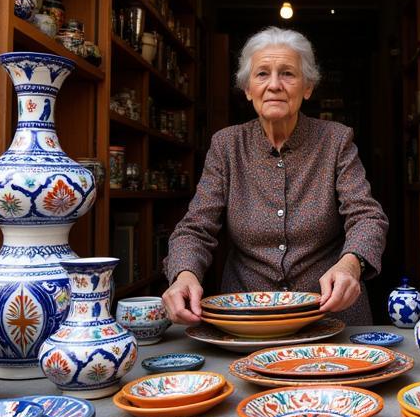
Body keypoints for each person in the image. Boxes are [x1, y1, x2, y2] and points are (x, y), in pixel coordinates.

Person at [162, 27, 388, 325]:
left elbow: (367, 217)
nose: (274, 85)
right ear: (247, 89)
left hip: (329, 316)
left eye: (288, 74)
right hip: (249, 320)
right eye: (262, 74)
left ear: (307, 87)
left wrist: (351, 264)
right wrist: (184, 274)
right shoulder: (227, 145)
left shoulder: (335, 141)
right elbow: (195, 228)